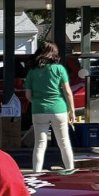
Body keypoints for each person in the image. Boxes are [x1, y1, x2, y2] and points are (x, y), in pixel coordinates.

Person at [24, 41, 75, 172]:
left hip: (39, 109)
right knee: (64, 143)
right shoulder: (59, 69)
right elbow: (68, 92)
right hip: (59, 109)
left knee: (39, 145)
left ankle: (37, 173)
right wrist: (72, 112)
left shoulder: (32, 72)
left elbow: (28, 96)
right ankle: (70, 171)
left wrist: (38, 101)